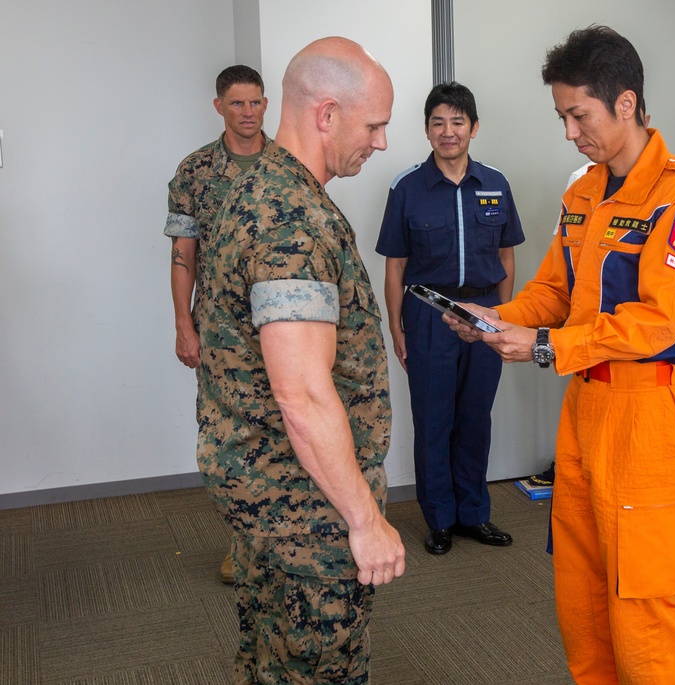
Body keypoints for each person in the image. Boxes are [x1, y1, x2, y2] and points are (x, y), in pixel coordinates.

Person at [446, 26, 675, 684]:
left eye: (579, 115)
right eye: (562, 117)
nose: (570, 132)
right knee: (581, 599)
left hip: (647, 418)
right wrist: (498, 317)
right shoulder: (586, 193)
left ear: (624, 104)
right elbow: (553, 290)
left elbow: (657, 321)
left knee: (642, 612)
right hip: (585, 411)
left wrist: (544, 345)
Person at [196, 37, 405, 683]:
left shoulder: (255, 187)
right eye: (374, 125)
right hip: (303, 505)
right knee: (317, 666)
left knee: (269, 652)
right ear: (326, 114)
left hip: (262, 492)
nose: (381, 142)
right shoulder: (292, 220)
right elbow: (302, 393)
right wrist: (365, 521)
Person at [376, 83, 523, 556]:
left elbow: (506, 254)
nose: (448, 131)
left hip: (484, 315)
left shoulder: (496, 184)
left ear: (473, 128)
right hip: (428, 315)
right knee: (434, 419)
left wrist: (504, 318)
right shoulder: (407, 188)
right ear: (426, 130)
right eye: (438, 122)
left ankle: (473, 514)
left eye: (458, 122)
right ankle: (439, 518)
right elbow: (395, 266)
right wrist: (397, 326)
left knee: (476, 417)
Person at [164, 64, 269, 584]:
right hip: (222, 333)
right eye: (237, 104)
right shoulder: (195, 171)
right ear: (219, 107)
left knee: (287, 432)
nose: (248, 113)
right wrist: (185, 326)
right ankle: (241, 545)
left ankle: (282, 544)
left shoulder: (288, 164)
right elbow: (185, 254)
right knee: (229, 441)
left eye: (255, 103)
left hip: (282, 326)